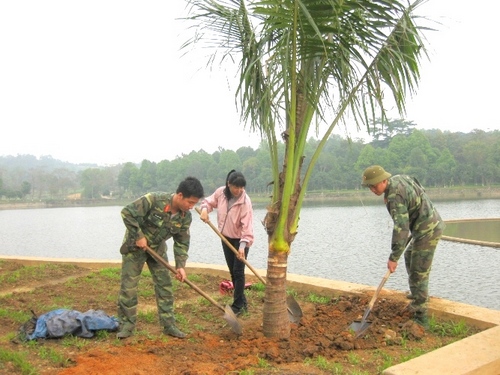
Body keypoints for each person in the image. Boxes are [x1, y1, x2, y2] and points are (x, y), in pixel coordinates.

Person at [116, 177, 204, 339]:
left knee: (165, 285)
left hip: (157, 248)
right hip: (135, 246)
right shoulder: (154, 200)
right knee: (129, 286)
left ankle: (168, 324)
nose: (191, 207)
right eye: (189, 202)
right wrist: (139, 235)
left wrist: (180, 266)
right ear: (179, 195)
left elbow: (182, 242)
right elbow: (127, 212)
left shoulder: (185, 217)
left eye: (194, 204)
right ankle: (126, 323)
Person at [361, 165, 445, 329]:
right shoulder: (400, 178)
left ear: (384, 180)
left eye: (374, 185)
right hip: (420, 226)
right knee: (409, 256)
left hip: (428, 229)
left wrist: (393, 258)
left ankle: (421, 318)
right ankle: (416, 294)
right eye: (370, 186)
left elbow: (401, 228)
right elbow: (418, 186)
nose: (372, 189)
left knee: (418, 271)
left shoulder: (394, 197)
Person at [199, 170, 254, 316]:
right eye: (236, 187)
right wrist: (205, 210)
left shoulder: (245, 202)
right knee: (232, 271)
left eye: (241, 187)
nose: (239, 190)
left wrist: (243, 246)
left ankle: (237, 306)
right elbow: (208, 202)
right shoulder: (221, 193)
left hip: (241, 240)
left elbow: (247, 227)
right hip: (225, 238)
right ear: (229, 185)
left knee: (238, 272)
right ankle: (242, 303)